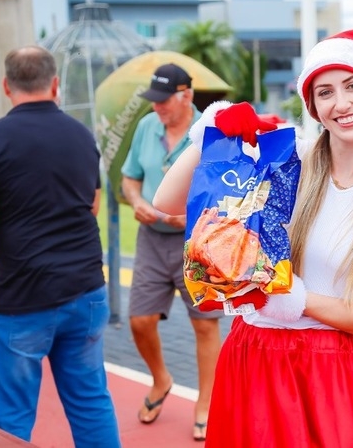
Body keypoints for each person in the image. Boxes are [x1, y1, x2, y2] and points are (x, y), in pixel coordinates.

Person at [153, 28, 353, 447]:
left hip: (329, 371)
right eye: (325, 93)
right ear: (314, 107)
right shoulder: (289, 159)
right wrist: (211, 131)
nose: (341, 103)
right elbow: (167, 201)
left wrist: (292, 298)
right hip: (251, 354)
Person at [0, 46, 120, 447]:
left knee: (11, 418)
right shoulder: (81, 135)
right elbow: (92, 205)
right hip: (85, 288)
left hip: (23, 295)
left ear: (6, 86)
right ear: (55, 84)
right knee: (90, 401)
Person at [120, 63, 222, 440]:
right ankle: (161, 378)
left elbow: (227, 190)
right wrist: (136, 202)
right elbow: (130, 178)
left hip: (196, 240)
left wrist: (192, 216)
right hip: (151, 238)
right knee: (140, 320)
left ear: (187, 96)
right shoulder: (147, 126)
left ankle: (206, 403)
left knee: (204, 323)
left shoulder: (210, 133)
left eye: (164, 100)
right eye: (154, 100)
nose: (157, 106)